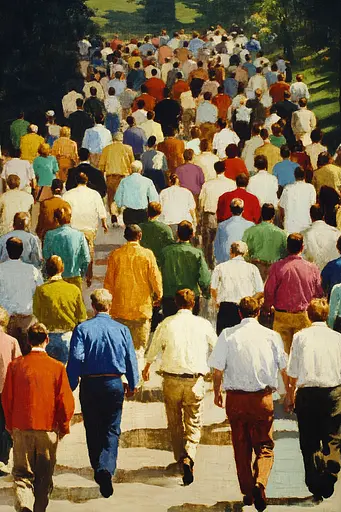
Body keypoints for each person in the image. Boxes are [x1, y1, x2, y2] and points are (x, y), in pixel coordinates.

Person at [209, 296, 288, 511]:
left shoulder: (227, 335)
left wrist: (217, 392)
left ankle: (247, 491)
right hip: (262, 398)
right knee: (264, 445)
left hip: (236, 399)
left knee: (241, 445)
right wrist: (287, 394)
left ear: (240, 314)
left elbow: (217, 369)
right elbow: (283, 367)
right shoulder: (272, 336)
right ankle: (260, 481)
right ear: (259, 313)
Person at [142, 288, 217, 485]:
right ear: (194, 304)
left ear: (176, 303)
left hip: (171, 379)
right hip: (194, 380)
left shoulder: (167, 323)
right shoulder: (203, 324)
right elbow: (216, 347)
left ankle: (179, 458)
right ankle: (189, 455)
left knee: (174, 422)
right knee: (193, 421)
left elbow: (153, 348)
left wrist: (147, 367)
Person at [2, 323, 74, 512]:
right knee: (44, 475)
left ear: (27, 340)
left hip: (21, 427)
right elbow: (65, 402)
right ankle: (39, 508)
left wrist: (10, 425)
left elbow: (7, 398)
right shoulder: (57, 367)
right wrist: (64, 427)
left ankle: (25, 503)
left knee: (22, 473)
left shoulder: (15, 366)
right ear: (47, 340)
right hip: (48, 428)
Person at [286, 298, 341, 501]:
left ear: (308, 315)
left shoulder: (300, 338)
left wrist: (289, 396)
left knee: (309, 441)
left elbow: (293, 371)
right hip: (333, 393)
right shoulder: (338, 338)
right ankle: (332, 470)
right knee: (333, 438)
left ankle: (314, 482)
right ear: (327, 315)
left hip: (307, 394)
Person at [104, 224, 162, 356]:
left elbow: (108, 283)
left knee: (120, 350)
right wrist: (159, 295)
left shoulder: (116, 255)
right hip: (141, 310)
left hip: (119, 310)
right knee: (139, 352)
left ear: (125, 237)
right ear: (140, 236)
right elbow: (155, 278)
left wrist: (108, 305)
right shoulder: (147, 255)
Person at [264, 233, 323, 353]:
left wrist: (267, 307)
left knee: (282, 355)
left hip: (282, 316)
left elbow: (269, 291)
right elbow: (318, 293)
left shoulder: (277, 267)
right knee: (302, 354)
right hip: (304, 316)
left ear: (287, 248)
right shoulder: (312, 268)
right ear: (302, 247)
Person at [33, 255, 87, 363]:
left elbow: (36, 314)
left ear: (46, 270)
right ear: (62, 269)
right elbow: (82, 317)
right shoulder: (74, 290)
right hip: (68, 336)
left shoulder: (41, 290)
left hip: (48, 337)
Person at [0, 237, 43, 356]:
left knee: (7, 356)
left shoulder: (1, 269)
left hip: (7, 320)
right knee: (27, 356)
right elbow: (40, 290)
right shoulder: (32, 270)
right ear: (22, 250)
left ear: (7, 250)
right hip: (27, 319)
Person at [63, 172, 108, 286]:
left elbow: (64, 210)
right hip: (89, 227)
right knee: (89, 251)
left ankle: (74, 274)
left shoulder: (68, 194)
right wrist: (104, 224)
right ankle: (89, 276)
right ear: (86, 181)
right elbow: (101, 211)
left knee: (73, 251)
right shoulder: (94, 194)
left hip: (73, 227)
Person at [159, 221, 211, 317]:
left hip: (170, 297)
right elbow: (204, 278)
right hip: (190, 298)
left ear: (177, 234)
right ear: (192, 235)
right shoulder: (197, 253)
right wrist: (206, 293)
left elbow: (158, 273)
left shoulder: (165, 252)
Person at [211, 241, 263, 334]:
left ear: (231, 251)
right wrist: (249, 301)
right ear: (245, 253)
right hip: (245, 309)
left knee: (224, 338)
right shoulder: (252, 268)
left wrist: (217, 301)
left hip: (226, 308)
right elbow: (260, 291)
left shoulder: (220, 267)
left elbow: (213, 288)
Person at [43, 205, 90, 291]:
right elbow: (86, 258)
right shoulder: (79, 235)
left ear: (56, 219)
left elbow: (46, 256)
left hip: (55, 278)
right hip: (74, 277)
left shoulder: (49, 235)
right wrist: (81, 274)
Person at [199, 161, 235, 269]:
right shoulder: (231, 184)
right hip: (225, 215)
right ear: (225, 168)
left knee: (209, 242)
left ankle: (209, 265)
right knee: (224, 240)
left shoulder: (207, 184)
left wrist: (200, 215)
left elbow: (201, 202)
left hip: (210, 214)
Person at [0, 306, 21, 474]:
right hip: (6, 389)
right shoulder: (12, 341)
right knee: (5, 426)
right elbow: (18, 366)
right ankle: (2, 459)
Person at [243, 203, 287, 281]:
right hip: (274, 270)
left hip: (256, 269)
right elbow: (286, 253)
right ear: (273, 216)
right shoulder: (282, 234)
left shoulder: (250, 231)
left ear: (261, 215)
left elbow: (244, 252)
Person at [113, 160, 159, 225]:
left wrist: (120, 206)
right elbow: (154, 198)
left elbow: (118, 198)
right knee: (142, 233)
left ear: (131, 169)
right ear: (141, 170)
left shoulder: (124, 181)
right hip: (143, 213)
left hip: (128, 213)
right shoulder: (148, 181)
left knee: (130, 233)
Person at [98, 131, 134, 210]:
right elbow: (132, 165)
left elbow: (101, 167)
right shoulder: (128, 148)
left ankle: (113, 218)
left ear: (113, 139)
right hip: (124, 177)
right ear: (122, 139)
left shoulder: (106, 149)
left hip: (111, 178)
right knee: (123, 199)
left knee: (111, 199)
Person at [214, 199, 254, 264]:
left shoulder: (222, 226)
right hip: (244, 261)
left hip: (226, 260)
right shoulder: (250, 225)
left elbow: (217, 248)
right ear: (243, 210)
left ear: (231, 210)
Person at [302, 204, 340, 270]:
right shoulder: (336, 232)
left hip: (313, 274)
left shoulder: (305, 234)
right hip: (333, 273)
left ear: (311, 216)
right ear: (323, 216)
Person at [279, 166, 316, 233]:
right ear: (304, 176)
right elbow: (313, 206)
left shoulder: (287, 188)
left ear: (294, 175)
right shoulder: (310, 188)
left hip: (290, 227)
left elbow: (281, 208)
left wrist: (283, 221)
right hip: (306, 226)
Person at [139, 202, 174, 266]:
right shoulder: (165, 228)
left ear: (147, 211)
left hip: (143, 261)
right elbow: (171, 247)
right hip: (160, 263)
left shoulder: (140, 227)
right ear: (160, 212)